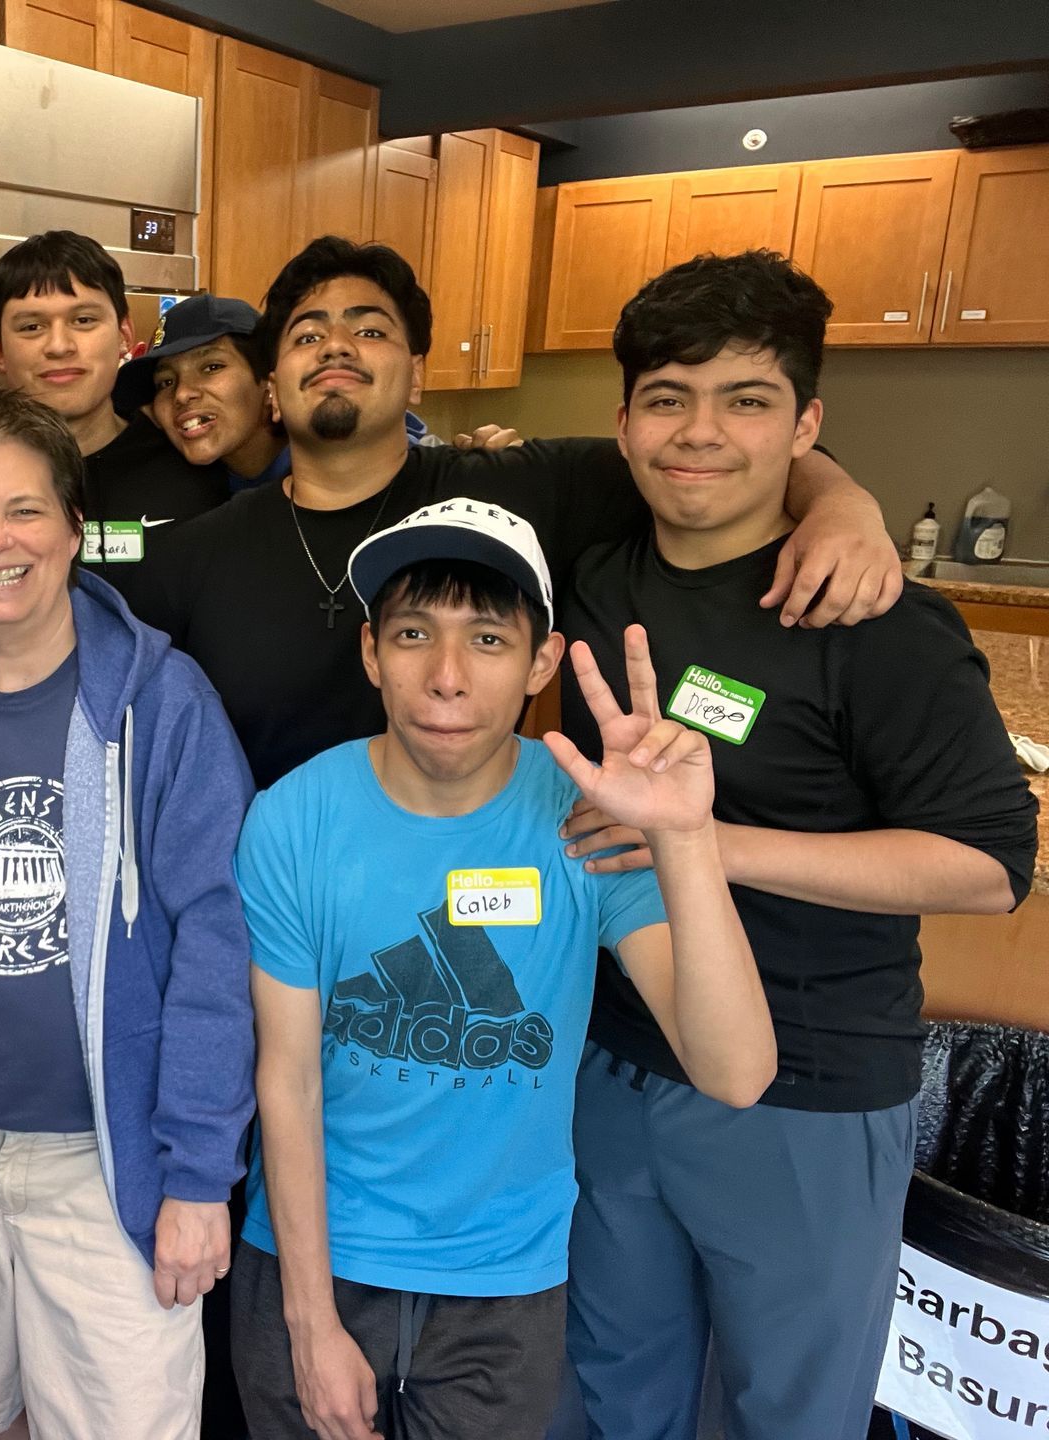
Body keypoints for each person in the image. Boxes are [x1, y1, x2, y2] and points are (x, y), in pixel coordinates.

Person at [554, 251, 1040, 1440]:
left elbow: (988, 865)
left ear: (806, 423)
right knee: (614, 1393)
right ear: (623, 423)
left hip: (811, 1097)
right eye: (668, 399)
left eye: (748, 401)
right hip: (618, 1064)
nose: (700, 434)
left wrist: (711, 844)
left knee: (788, 1411)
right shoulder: (600, 568)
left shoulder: (875, 621)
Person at [233, 499, 775, 1440]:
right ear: (371, 653)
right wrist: (310, 1323)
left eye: (487, 639)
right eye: (413, 635)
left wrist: (683, 835)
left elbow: (736, 1071)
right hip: (316, 1264)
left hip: (503, 1283)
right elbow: (288, 1083)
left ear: (541, 663)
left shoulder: (580, 819)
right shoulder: (292, 819)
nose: (446, 679)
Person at [0, 386, 256, 1439]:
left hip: (109, 1166)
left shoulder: (163, 707)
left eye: (24, 510)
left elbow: (217, 950)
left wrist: (200, 1177)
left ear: (76, 526)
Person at [127, 235, 905, 792]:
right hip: (280, 907)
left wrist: (839, 501)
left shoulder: (523, 491)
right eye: (307, 334)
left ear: (417, 377)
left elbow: (699, 458)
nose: (338, 345)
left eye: (370, 328)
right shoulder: (194, 557)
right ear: (273, 383)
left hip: (479, 898)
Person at [0, 230, 230, 594]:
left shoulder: (195, 465)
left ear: (124, 334)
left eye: (83, 320)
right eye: (32, 326)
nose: (59, 346)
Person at [117, 291, 519, 491]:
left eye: (212, 366)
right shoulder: (181, 486)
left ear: (270, 381)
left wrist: (481, 469)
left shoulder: (347, 460)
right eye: (165, 382)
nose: (183, 393)